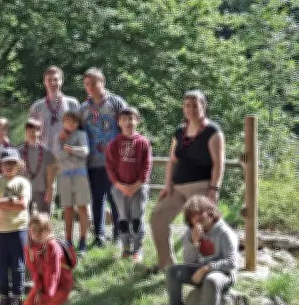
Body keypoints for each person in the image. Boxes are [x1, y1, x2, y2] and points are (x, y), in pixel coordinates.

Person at [150, 90, 225, 272]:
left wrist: (214, 189)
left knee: (199, 226)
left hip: (201, 186)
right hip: (177, 187)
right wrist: (167, 185)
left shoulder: (212, 132)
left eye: (195, 105)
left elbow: (218, 163)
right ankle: (166, 265)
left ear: (203, 106)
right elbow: (172, 161)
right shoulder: (179, 132)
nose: (191, 109)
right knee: (157, 218)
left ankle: (201, 266)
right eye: (187, 105)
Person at [163, 195, 237, 305]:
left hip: (223, 274)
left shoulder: (225, 233)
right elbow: (188, 262)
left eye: (199, 213)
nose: (196, 219)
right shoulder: (191, 232)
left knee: (212, 280)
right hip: (198, 272)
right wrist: (194, 242)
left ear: (210, 212)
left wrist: (206, 268)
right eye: (191, 216)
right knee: (172, 271)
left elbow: (231, 263)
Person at [8, 212, 74, 305]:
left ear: (48, 230)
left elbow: (54, 273)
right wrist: (38, 289)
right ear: (29, 231)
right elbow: (34, 272)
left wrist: (46, 295)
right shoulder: (29, 248)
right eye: (34, 230)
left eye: (41, 230)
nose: (37, 233)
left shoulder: (52, 246)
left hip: (60, 286)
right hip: (43, 284)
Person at [78, 68, 127, 247]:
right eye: (87, 84)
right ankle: (99, 236)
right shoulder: (83, 109)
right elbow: (79, 133)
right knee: (97, 199)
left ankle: (118, 235)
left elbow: (127, 129)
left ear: (103, 82)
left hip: (114, 162)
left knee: (115, 199)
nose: (90, 87)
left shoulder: (116, 102)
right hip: (92, 162)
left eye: (94, 83)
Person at [0, 149, 31, 305]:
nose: (9, 166)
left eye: (12, 163)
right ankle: (3, 298)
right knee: (1, 266)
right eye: (6, 163)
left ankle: (16, 299)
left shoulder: (22, 183)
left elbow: (22, 205)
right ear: (0, 165)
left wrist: (2, 202)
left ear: (18, 165)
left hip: (18, 228)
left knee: (18, 265)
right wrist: (12, 200)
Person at [106, 107, 152, 263]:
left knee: (137, 218)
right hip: (120, 189)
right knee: (123, 218)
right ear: (119, 122)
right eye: (124, 119)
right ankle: (126, 247)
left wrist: (137, 184)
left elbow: (147, 166)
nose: (128, 122)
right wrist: (119, 185)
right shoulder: (113, 144)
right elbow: (110, 167)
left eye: (131, 119)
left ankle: (137, 249)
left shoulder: (143, 143)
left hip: (139, 188)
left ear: (137, 120)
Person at [55, 111, 91, 254]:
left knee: (82, 207)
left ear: (78, 123)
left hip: (80, 176)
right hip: (64, 176)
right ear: (63, 122)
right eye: (68, 121)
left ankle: (83, 240)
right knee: (68, 208)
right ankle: (68, 240)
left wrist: (70, 149)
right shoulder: (59, 137)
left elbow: (85, 151)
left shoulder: (81, 135)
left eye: (74, 122)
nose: (71, 124)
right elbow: (58, 155)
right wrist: (69, 151)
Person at [29, 66, 81, 152]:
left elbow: (80, 130)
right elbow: (30, 133)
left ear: (61, 81)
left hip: (67, 153)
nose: (52, 83)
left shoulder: (72, 103)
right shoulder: (37, 107)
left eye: (56, 79)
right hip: (44, 154)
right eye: (49, 80)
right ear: (44, 82)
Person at [19, 118, 57, 214]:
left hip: (42, 189)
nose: (32, 133)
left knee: (44, 217)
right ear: (26, 131)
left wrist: (49, 190)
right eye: (29, 130)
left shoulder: (47, 152)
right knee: (25, 218)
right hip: (24, 190)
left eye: (36, 130)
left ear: (40, 131)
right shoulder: (19, 151)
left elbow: (50, 172)